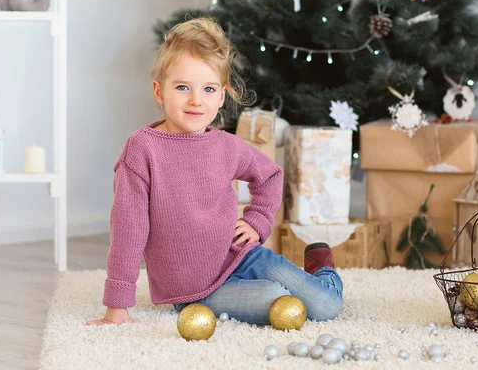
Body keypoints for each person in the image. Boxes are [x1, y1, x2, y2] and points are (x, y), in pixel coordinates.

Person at [85, 18, 343, 327]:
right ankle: (290, 285)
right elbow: (129, 230)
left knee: (325, 305)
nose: (196, 100)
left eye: (208, 89)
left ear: (221, 96)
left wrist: (257, 220)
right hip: (195, 291)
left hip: (243, 255)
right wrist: (117, 306)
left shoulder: (227, 146)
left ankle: (321, 268)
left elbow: (270, 176)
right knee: (278, 300)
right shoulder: (142, 151)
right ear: (159, 91)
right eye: (182, 87)